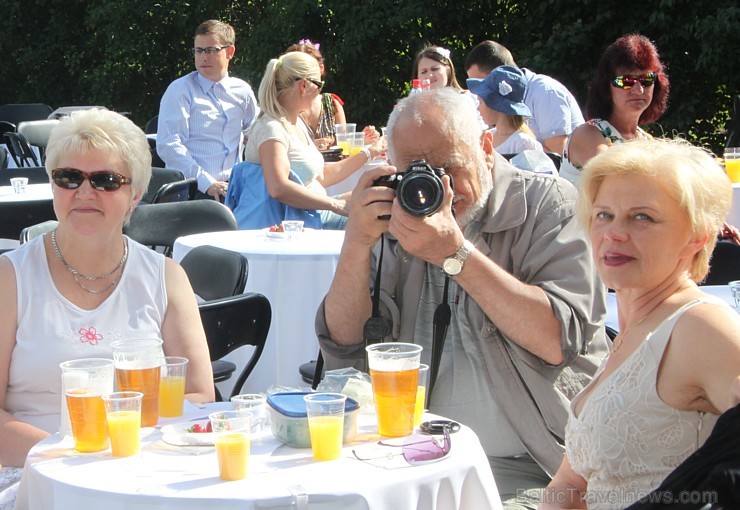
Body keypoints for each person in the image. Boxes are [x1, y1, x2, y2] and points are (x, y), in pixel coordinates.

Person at [316, 88, 610, 509]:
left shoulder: (550, 205)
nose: (437, 187)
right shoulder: (394, 219)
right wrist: (357, 243)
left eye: (447, 167)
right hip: (402, 460)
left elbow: (556, 339)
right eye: (416, 171)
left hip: (532, 467)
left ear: (486, 148)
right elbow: (343, 350)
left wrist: (455, 255)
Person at [0, 109, 214, 506]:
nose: (84, 192)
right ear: (53, 186)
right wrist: (69, 454)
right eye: (69, 177)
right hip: (34, 470)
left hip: (142, 469)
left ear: (135, 194)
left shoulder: (165, 277)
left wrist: (125, 452)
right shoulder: (9, 278)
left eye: (105, 180)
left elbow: (199, 394)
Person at [541, 139, 740, 510]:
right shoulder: (634, 328)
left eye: (642, 217)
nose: (613, 233)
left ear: (695, 238)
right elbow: (573, 480)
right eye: (603, 215)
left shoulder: (700, 326)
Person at [225, 51, 384, 230]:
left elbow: (321, 176)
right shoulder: (272, 128)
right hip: (290, 226)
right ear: (304, 85)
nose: (320, 93)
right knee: (374, 223)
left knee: (376, 202)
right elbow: (278, 187)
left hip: (308, 216)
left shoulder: (295, 122)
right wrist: (335, 204)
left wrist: (369, 153)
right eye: (319, 85)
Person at [157, 20, 259, 200]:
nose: (203, 57)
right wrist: (207, 183)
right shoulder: (180, 90)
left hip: (235, 188)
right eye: (198, 50)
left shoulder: (242, 91)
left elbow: (257, 133)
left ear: (230, 52)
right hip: (191, 190)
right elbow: (169, 145)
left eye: (211, 50)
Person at [558, 34, 669, 187]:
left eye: (646, 80)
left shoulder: (645, 140)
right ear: (606, 88)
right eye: (626, 81)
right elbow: (622, 184)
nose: (638, 89)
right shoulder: (588, 134)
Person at [465, 40, 584, 155]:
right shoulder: (498, 130)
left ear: (501, 76)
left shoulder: (545, 92)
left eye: (483, 83)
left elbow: (558, 154)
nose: (478, 94)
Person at [467, 65, 544, 154]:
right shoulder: (487, 136)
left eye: (480, 103)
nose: (477, 108)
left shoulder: (522, 143)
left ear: (494, 104)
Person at [285, 40, 347, 150]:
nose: (304, 77)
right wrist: (310, 148)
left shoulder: (332, 104)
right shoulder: (284, 109)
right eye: (299, 70)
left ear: (321, 69)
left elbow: (344, 146)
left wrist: (363, 140)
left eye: (309, 68)